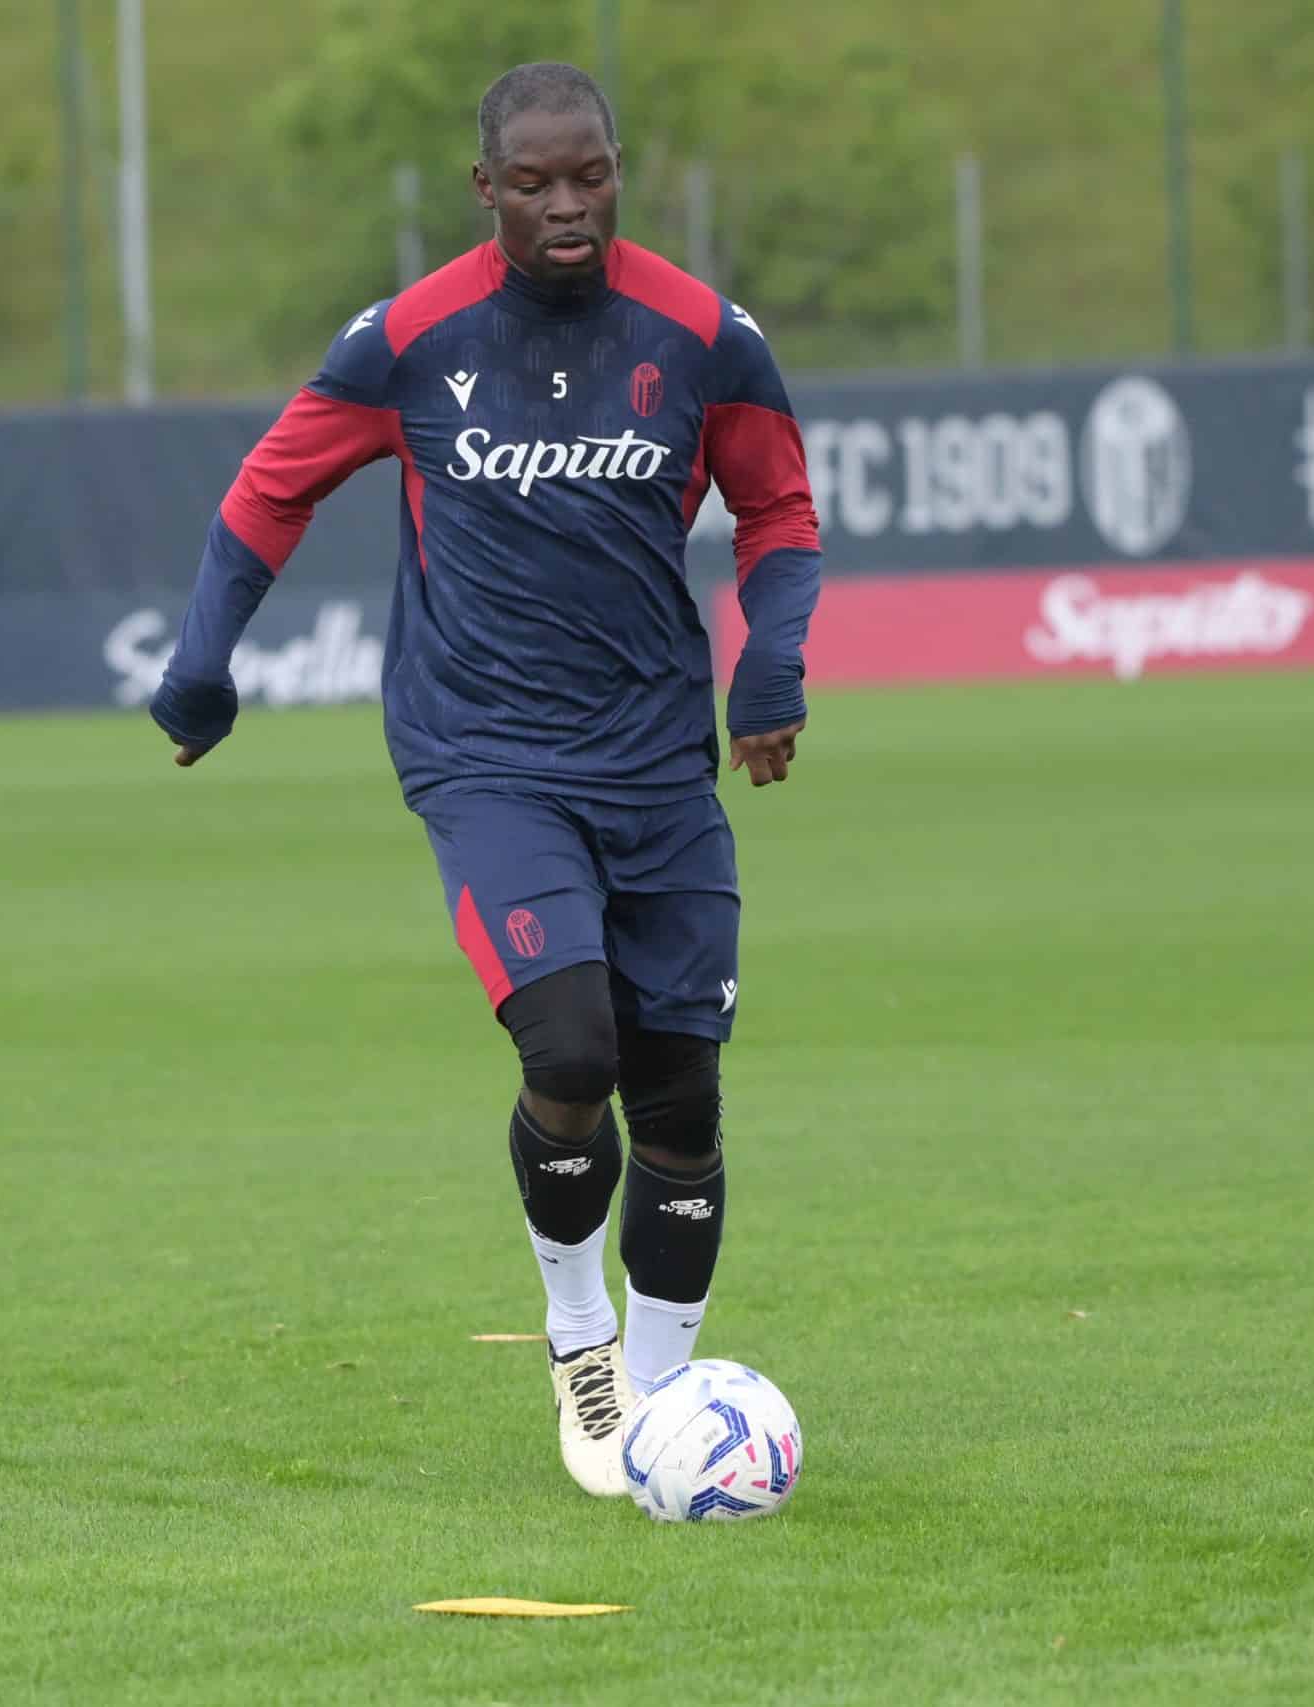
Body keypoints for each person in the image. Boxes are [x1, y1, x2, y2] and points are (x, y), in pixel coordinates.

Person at [148, 61, 821, 1497]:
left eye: (591, 177)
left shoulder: (704, 337)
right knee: (571, 1050)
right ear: (486, 190)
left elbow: (779, 507)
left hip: (657, 760)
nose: (567, 205)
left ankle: (658, 1394)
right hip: (484, 755)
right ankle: (582, 1340)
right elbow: (271, 487)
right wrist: (206, 661)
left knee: (682, 1096)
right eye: (535, 184)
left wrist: (770, 672)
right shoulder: (410, 341)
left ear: (617, 172)